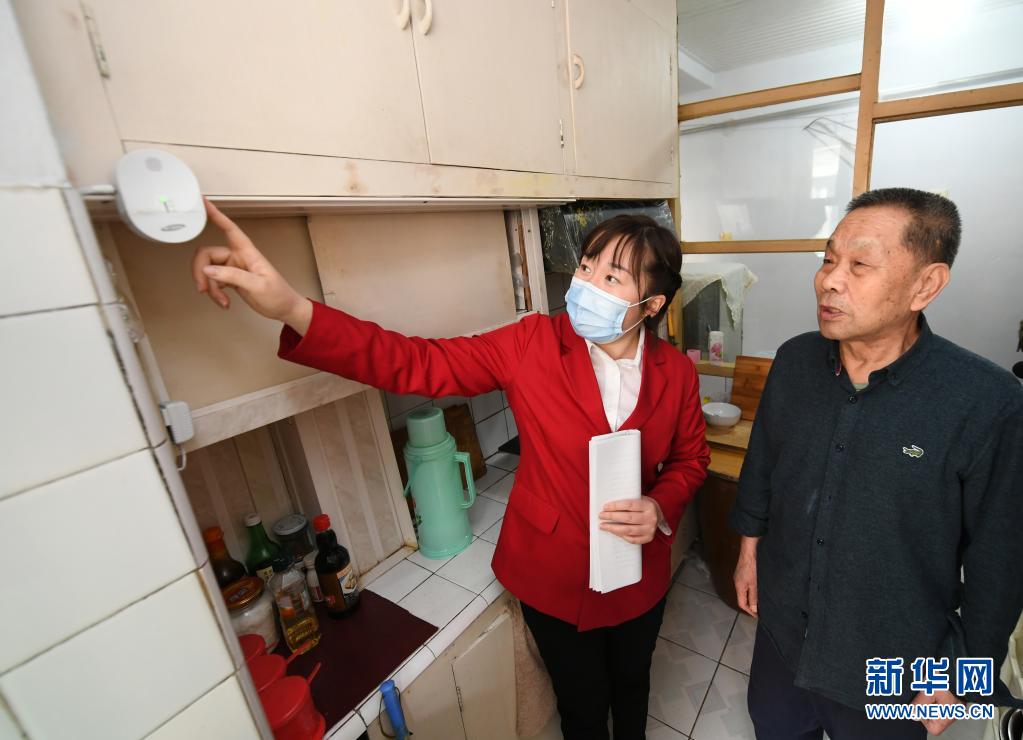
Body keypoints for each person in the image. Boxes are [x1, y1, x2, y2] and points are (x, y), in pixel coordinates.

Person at [193, 200, 710, 740]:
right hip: (553, 574)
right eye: (585, 266)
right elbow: (417, 362)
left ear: (651, 304)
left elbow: (691, 458)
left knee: (632, 685)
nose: (586, 284)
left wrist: (659, 505)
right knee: (581, 705)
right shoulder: (531, 343)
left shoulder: (674, 372)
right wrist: (294, 309)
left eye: (611, 277)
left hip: (637, 573)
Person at [730, 188, 1023, 739]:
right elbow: (763, 463)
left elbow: (1001, 561)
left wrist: (963, 679)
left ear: (925, 285)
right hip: (784, 633)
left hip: (893, 666)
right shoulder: (794, 360)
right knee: (774, 726)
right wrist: (749, 552)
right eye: (828, 260)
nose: (829, 281)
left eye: (859, 265)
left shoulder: (987, 403)